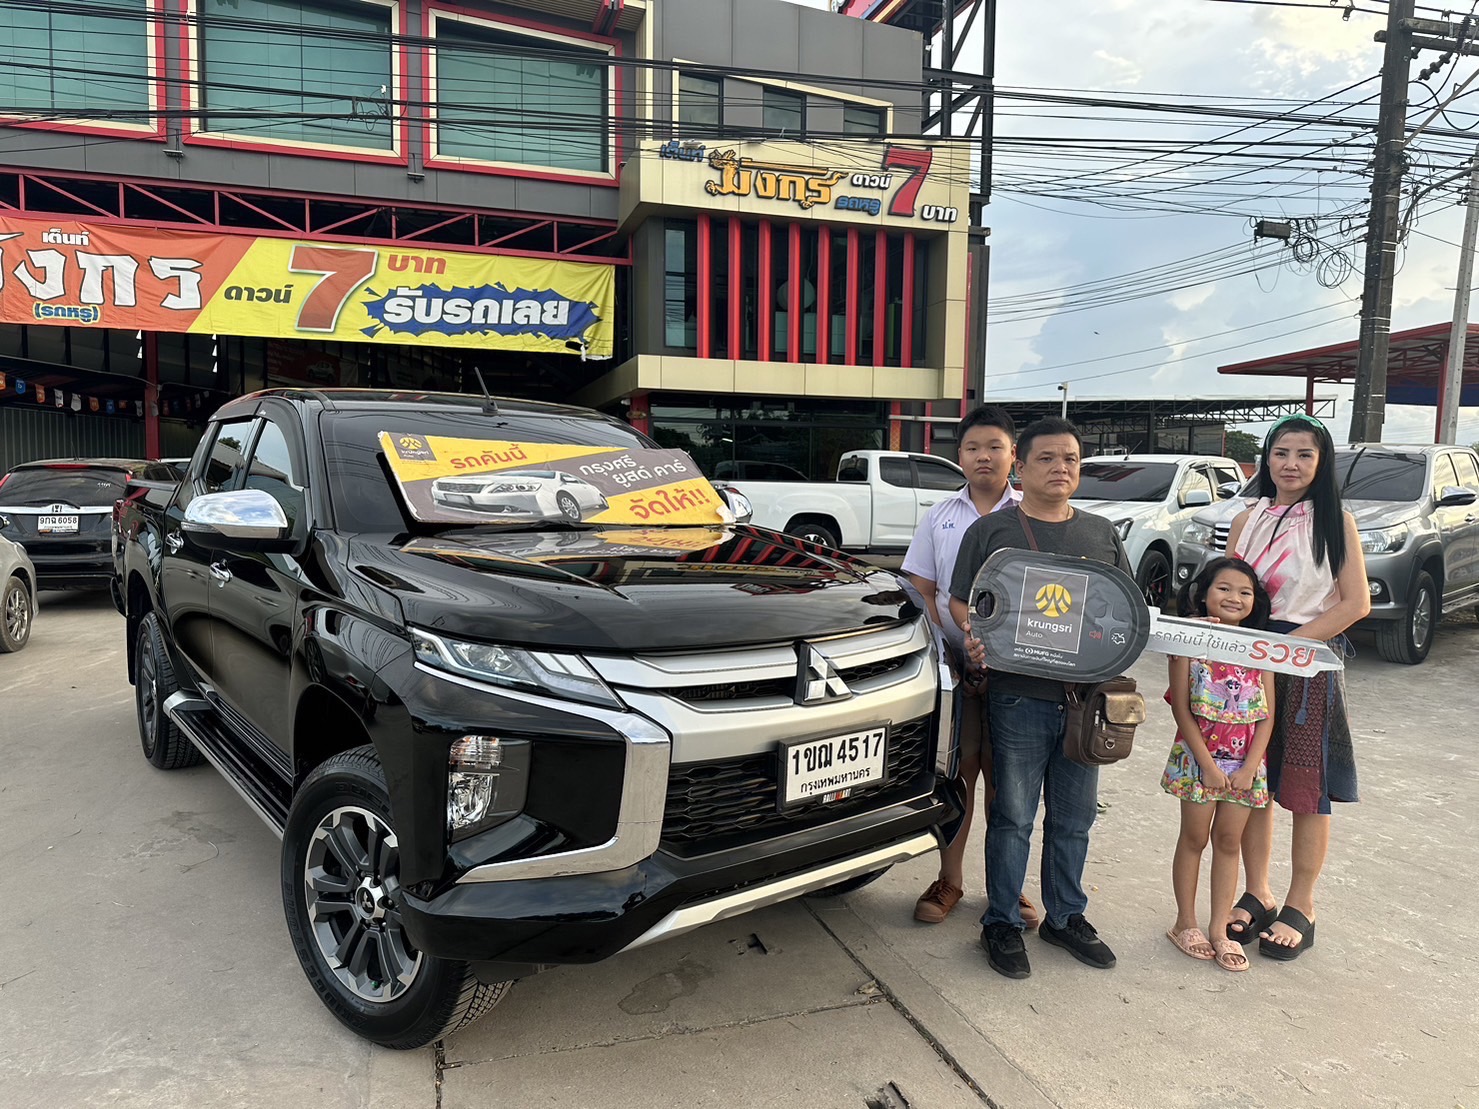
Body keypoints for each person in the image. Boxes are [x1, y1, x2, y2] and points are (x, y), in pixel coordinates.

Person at [948, 417, 1130, 980]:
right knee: (1013, 817)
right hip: (1016, 697)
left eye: (1070, 458)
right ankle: (1001, 922)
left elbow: (1124, 611)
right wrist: (976, 634)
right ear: (1021, 468)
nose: (1060, 468)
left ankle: (1065, 916)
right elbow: (962, 602)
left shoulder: (1101, 533)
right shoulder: (991, 532)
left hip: (1084, 702)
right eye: (1047, 458)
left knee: (1074, 818)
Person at [1225, 414, 1369, 960]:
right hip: (1248, 665)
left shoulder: (1337, 523)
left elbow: (1356, 604)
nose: (1290, 464)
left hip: (1307, 666)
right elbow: (1229, 590)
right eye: (1281, 453)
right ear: (1267, 459)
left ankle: (1301, 904)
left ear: (1321, 462)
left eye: (1304, 454)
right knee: (1255, 780)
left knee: (1309, 789)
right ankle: (1258, 893)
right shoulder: (1247, 519)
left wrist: (1284, 648)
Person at [901, 406, 1039, 929]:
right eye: (973, 447)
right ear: (958, 455)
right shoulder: (940, 516)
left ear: (1014, 456)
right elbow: (922, 589)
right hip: (956, 671)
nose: (984, 456)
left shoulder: (1033, 513)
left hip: (1019, 673)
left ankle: (1008, 885)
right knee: (957, 777)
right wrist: (948, 655)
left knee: (1010, 783)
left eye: (995, 447)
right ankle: (950, 879)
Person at [1162, 557, 1275, 973]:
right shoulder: (1187, 643)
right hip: (1198, 762)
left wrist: (1249, 767)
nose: (1234, 597)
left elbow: (1267, 716)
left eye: (1245, 592)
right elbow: (1181, 708)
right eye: (1224, 588)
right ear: (1204, 592)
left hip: (1246, 766)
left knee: (1229, 841)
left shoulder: (1259, 648)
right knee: (1194, 838)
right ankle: (1185, 922)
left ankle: (1218, 928)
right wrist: (1208, 765)